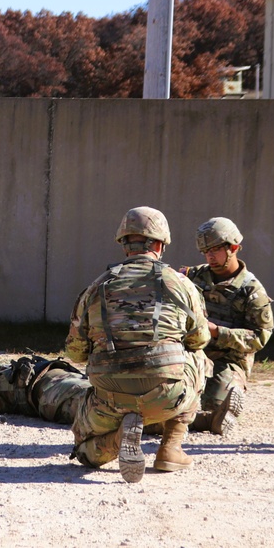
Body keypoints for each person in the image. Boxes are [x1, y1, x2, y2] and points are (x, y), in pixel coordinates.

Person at [65, 206, 209, 483]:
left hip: (108, 400)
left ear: (123, 243)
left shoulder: (97, 286)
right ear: (159, 243)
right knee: (199, 356)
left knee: (85, 454)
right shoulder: (181, 284)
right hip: (166, 397)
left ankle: (119, 437)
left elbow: (75, 352)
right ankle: (171, 447)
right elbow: (200, 339)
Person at [179, 217, 273, 436]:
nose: (209, 256)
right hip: (191, 353)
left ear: (233, 247)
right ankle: (194, 419)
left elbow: (259, 337)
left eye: (215, 250)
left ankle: (210, 415)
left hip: (227, 360)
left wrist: (216, 332)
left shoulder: (251, 290)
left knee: (214, 402)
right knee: (168, 396)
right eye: (205, 251)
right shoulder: (192, 276)